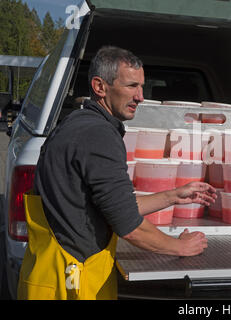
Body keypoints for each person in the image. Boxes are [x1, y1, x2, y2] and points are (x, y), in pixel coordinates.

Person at [17, 46, 216, 300]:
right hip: (73, 284)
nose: (141, 97)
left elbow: (111, 206)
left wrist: (173, 195)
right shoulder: (99, 136)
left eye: (141, 87)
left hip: (47, 274)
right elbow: (129, 226)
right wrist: (179, 246)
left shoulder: (75, 124)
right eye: (132, 86)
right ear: (100, 87)